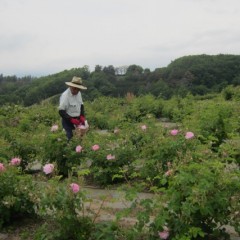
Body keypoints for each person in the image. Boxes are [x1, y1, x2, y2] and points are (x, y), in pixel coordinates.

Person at [58, 76, 87, 140]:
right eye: (74, 89)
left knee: (80, 137)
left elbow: (81, 105)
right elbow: (61, 111)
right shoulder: (65, 96)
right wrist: (71, 119)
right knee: (69, 137)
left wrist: (82, 116)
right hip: (68, 120)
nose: (76, 91)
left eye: (78, 89)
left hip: (78, 119)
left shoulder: (78, 93)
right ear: (70, 86)